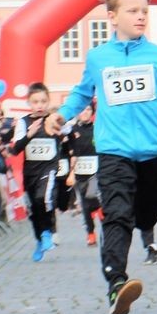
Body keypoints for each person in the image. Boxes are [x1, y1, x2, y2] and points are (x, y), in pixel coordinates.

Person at [48, 0, 157, 314]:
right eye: (133, 11)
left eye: (144, 11)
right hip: (113, 152)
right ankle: (116, 283)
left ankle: (143, 225)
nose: (141, 17)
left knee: (149, 212)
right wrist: (62, 115)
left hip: (154, 152)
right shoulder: (99, 57)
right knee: (117, 214)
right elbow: (83, 94)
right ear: (113, 16)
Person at [12, 83, 61, 262]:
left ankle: (48, 232)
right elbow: (15, 149)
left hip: (49, 169)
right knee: (33, 210)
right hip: (30, 172)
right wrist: (29, 135)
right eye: (35, 102)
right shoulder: (24, 123)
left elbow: (67, 133)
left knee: (44, 198)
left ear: (48, 102)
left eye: (43, 101)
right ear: (29, 103)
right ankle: (40, 240)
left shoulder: (53, 119)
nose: (39, 105)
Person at [67, 104, 101, 247]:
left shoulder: (97, 129)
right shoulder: (72, 130)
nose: (85, 113)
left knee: (91, 194)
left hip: (95, 170)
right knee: (86, 205)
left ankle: (98, 208)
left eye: (88, 110)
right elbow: (67, 148)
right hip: (80, 171)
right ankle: (91, 233)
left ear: (92, 112)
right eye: (82, 110)